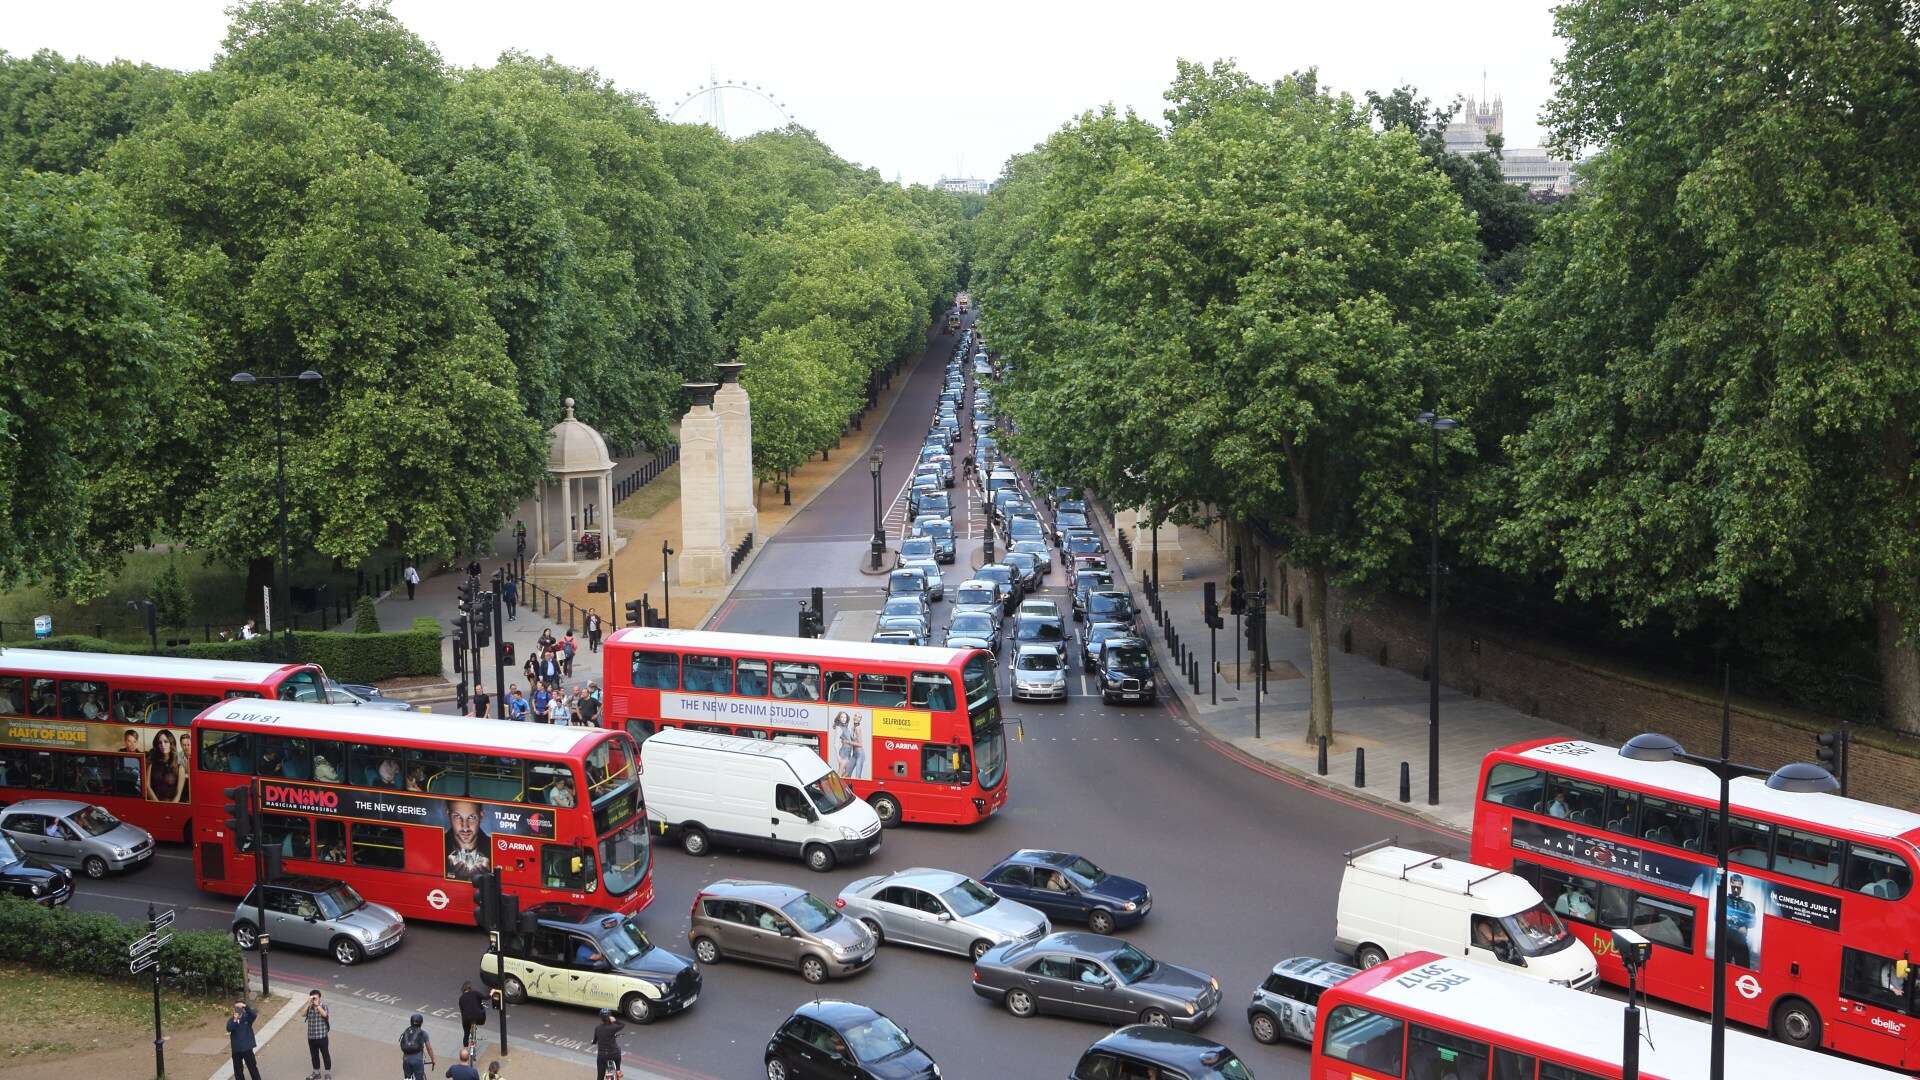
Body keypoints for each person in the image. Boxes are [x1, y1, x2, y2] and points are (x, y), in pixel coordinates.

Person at [445, 800, 490, 881]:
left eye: (472, 817)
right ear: (448, 815)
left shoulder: (494, 848)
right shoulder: (434, 846)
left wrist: (490, 877)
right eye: (457, 816)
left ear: (481, 815)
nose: (465, 827)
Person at [143, 730, 186, 803]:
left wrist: (170, 808)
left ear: (171, 743)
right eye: (160, 743)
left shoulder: (180, 768)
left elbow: (178, 794)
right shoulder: (151, 764)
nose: (163, 745)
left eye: (166, 742)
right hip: (153, 804)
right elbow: (147, 787)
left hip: (172, 806)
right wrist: (159, 805)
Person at [227, 1000, 262, 1080]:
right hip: (236, 1049)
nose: (237, 1010)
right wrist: (235, 1019)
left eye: (239, 1008)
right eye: (235, 1008)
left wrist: (245, 1006)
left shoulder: (247, 1018)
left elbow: (254, 1015)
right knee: (238, 1070)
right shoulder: (231, 1020)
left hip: (247, 1048)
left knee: (252, 1067)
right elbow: (229, 1028)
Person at [303, 989, 333, 1080]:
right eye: (313, 997)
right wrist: (308, 1004)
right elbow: (302, 1014)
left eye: (316, 997)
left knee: (325, 1054)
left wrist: (317, 1005)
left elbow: (325, 1015)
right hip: (311, 1037)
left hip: (322, 1036)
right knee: (314, 1056)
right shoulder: (309, 1007)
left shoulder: (323, 1006)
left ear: (319, 998)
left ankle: (327, 1073)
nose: (314, 999)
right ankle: (316, 1073)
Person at [399, 1012, 436, 1080]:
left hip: (406, 1059)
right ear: (421, 1023)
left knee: (408, 1078)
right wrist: (433, 1059)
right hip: (417, 1060)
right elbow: (429, 1048)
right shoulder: (423, 1033)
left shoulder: (406, 1031)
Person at [591, 1009, 625, 1080]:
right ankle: (618, 1069)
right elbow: (622, 1025)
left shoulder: (598, 1028)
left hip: (602, 1056)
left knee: (600, 1076)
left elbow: (595, 1040)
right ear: (610, 1017)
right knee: (618, 1050)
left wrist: (593, 1042)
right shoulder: (613, 1027)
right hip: (614, 1053)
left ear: (601, 1018)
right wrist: (615, 1020)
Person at [458, 980, 488, 1051]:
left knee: (466, 1034)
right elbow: (486, 998)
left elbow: (462, 1011)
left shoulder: (461, 998)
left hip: (466, 1019)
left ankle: (465, 1050)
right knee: (483, 1010)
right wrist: (492, 992)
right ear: (470, 988)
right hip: (478, 1017)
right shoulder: (475, 993)